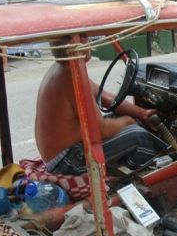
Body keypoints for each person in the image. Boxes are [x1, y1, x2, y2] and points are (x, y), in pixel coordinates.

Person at [35, 36, 167, 175]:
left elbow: (104, 96)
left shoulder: (66, 68)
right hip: (66, 162)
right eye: (85, 37)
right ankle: (130, 184)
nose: (89, 40)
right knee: (139, 136)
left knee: (127, 119)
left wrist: (141, 113)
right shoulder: (70, 75)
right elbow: (101, 129)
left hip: (63, 154)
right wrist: (129, 121)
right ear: (75, 44)